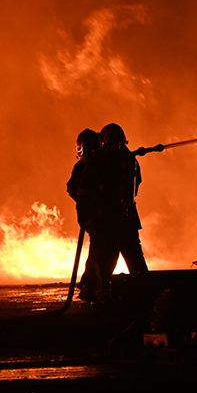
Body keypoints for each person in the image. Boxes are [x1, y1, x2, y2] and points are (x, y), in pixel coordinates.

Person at [83, 123, 148, 301]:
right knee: (134, 261)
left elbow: (87, 187)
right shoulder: (129, 159)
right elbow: (135, 187)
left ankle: (101, 296)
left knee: (105, 260)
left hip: (107, 220)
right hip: (126, 219)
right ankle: (144, 295)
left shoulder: (100, 160)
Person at [66, 128, 102, 303]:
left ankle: (91, 285)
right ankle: (90, 285)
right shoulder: (82, 167)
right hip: (92, 215)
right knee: (98, 250)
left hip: (101, 214)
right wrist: (88, 204)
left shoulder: (102, 164)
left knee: (100, 251)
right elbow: (72, 189)